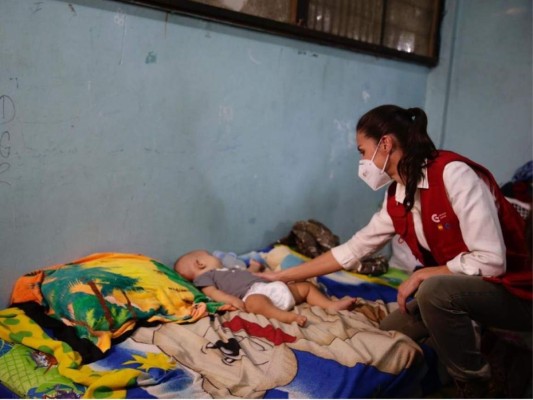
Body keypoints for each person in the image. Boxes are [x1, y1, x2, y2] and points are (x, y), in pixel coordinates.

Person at [254, 105, 532, 398]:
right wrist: (282, 276)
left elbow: (492, 262)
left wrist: (425, 274)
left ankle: (477, 384)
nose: (362, 161)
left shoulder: (454, 175)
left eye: (362, 151)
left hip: (516, 294)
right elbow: (352, 250)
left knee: (433, 291)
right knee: (389, 332)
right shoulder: (398, 196)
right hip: (469, 289)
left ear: (385, 143)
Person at [174, 249, 357, 327]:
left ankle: (329, 305)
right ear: (199, 263)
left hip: (271, 287)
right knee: (255, 302)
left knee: (305, 286)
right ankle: (286, 317)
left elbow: (246, 274)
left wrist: (254, 267)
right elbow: (212, 293)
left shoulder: (228, 269)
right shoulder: (206, 277)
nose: (216, 257)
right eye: (208, 255)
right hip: (252, 295)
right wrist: (231, 300)